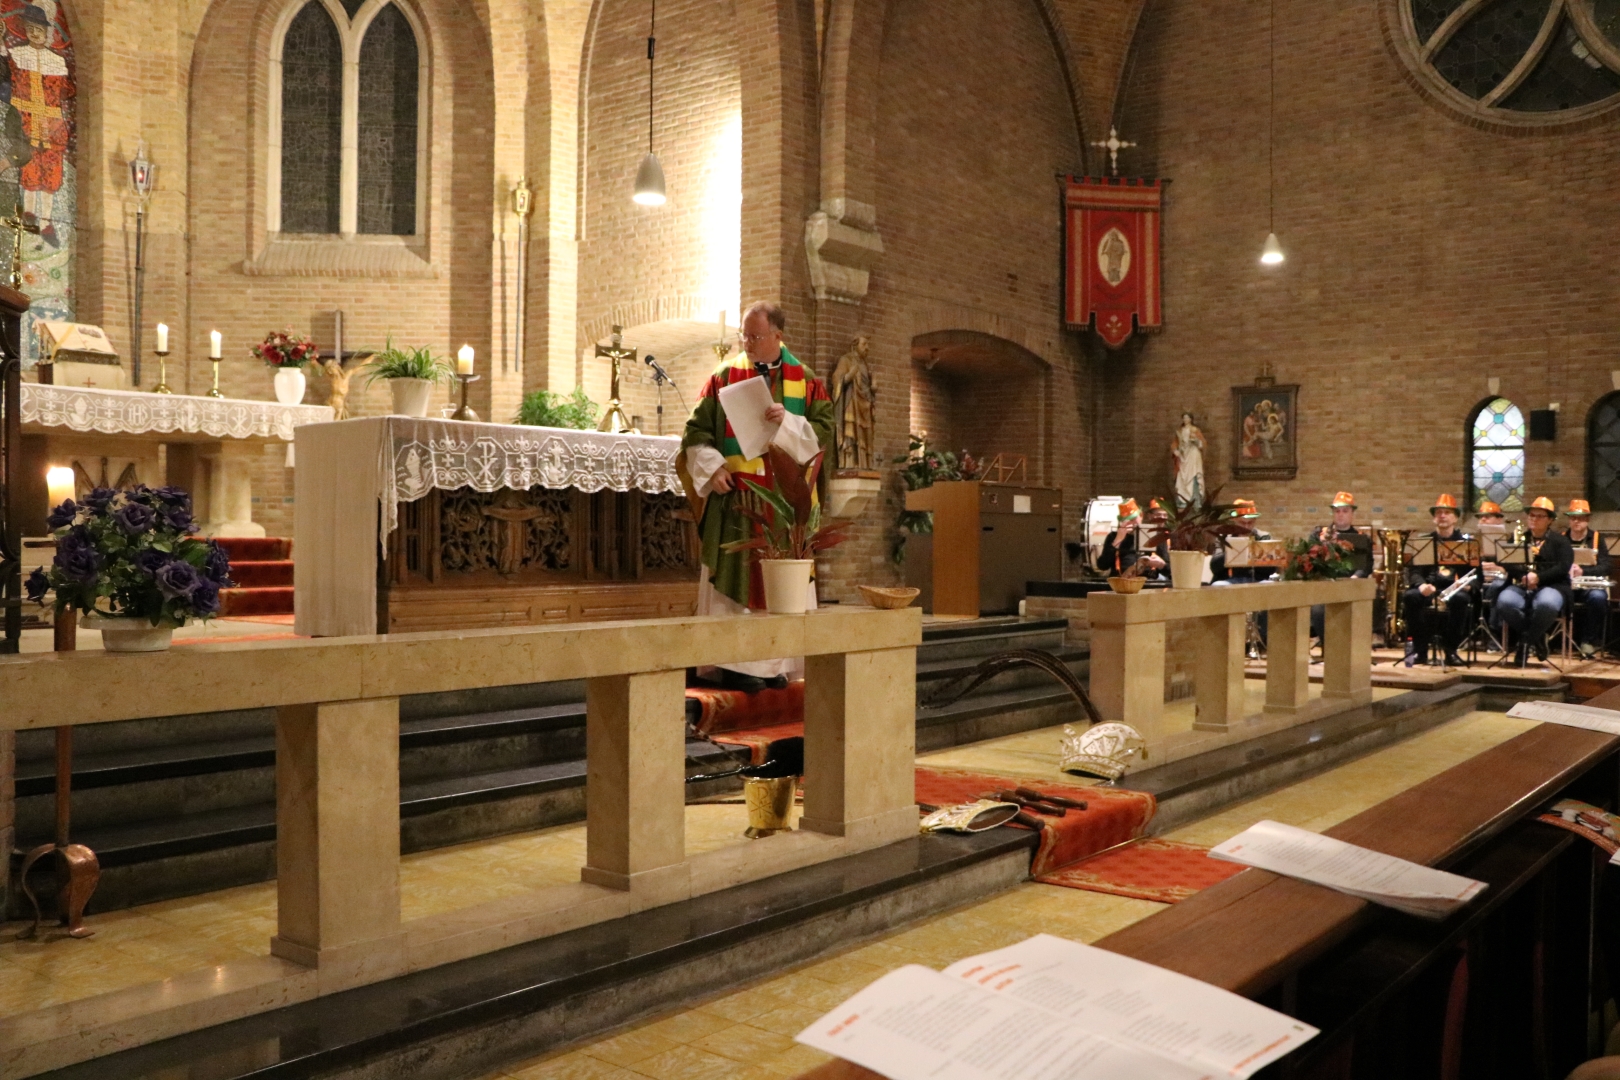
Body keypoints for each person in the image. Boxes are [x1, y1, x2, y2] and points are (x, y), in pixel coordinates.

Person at [680, 301, 835, 687]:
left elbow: (824, 434)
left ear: (777, 335)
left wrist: (790, 422)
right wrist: (713, 467)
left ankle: (774, 666)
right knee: (736, 582)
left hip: (785, 503)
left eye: (755, 336)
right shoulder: (723, 377)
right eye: (744, 335)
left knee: (781, 588)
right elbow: (695, 431)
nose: (747, 343)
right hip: (739, 500)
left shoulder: (807, 380)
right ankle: (733, 666)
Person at [1497, 496, 1574, 667]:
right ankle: (1537, 637)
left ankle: (1524, 644)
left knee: (1547, 604)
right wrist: (1523, 577)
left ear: (1550, 520)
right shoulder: (1518, 538)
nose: (1534, 519)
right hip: (1522, 584)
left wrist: (1538, 577)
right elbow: (1507, 562)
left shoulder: (1560, 541)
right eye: (1532, 515)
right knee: (1504, 602)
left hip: (1552, 585)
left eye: (1540, 516)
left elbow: (1563, 567)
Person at [1403, 493, 1473, 668]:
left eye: (1447, 512)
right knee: (1411, 596)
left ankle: (1451, 650)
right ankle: (1420, 650)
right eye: (1439, 513)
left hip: (1454, 589)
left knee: (1461, 599)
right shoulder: (1424, 541)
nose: (1442, 516)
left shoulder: (1466, 543)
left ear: (1455, 518)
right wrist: (1421, 585)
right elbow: (1414, 570)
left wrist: (1466, 585)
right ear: (1434, 518)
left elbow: (1474, 572)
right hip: (1429, 587)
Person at [1564, 499, 1611, 658]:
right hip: (1567, 585)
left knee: (1598, 598)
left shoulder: (1597, 538)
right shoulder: (1561, 539)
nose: (1576, 521)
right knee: (1550, 596)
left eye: (1580, 518)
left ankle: (1588, 640)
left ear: (1587, 519)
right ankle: (1551, 639)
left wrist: (1583, 571)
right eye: (1573, 518)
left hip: (1589, 586)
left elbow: (1606, 566)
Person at [1098, 499, 1167, 578]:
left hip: (1148, 580)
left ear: (1141, 515)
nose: (1130, 523)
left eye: (1133, 519)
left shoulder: (1155, 535)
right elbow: (1103, 566)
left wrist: (1161, 564)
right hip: (1121, 580)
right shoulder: (1113, 536)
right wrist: (1117, 541)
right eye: (1126, 520)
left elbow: (1168, 570)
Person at [1315, 492, 1373, 577]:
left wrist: (1355, 578)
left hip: (1352, 583)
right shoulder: (1319, 534)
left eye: (1345, 511)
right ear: (1333, 513)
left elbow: (1366, 566)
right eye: (1337, 511)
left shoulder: (1361, 539)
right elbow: (1311, 562)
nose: (1340, 514)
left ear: (1352, 513)